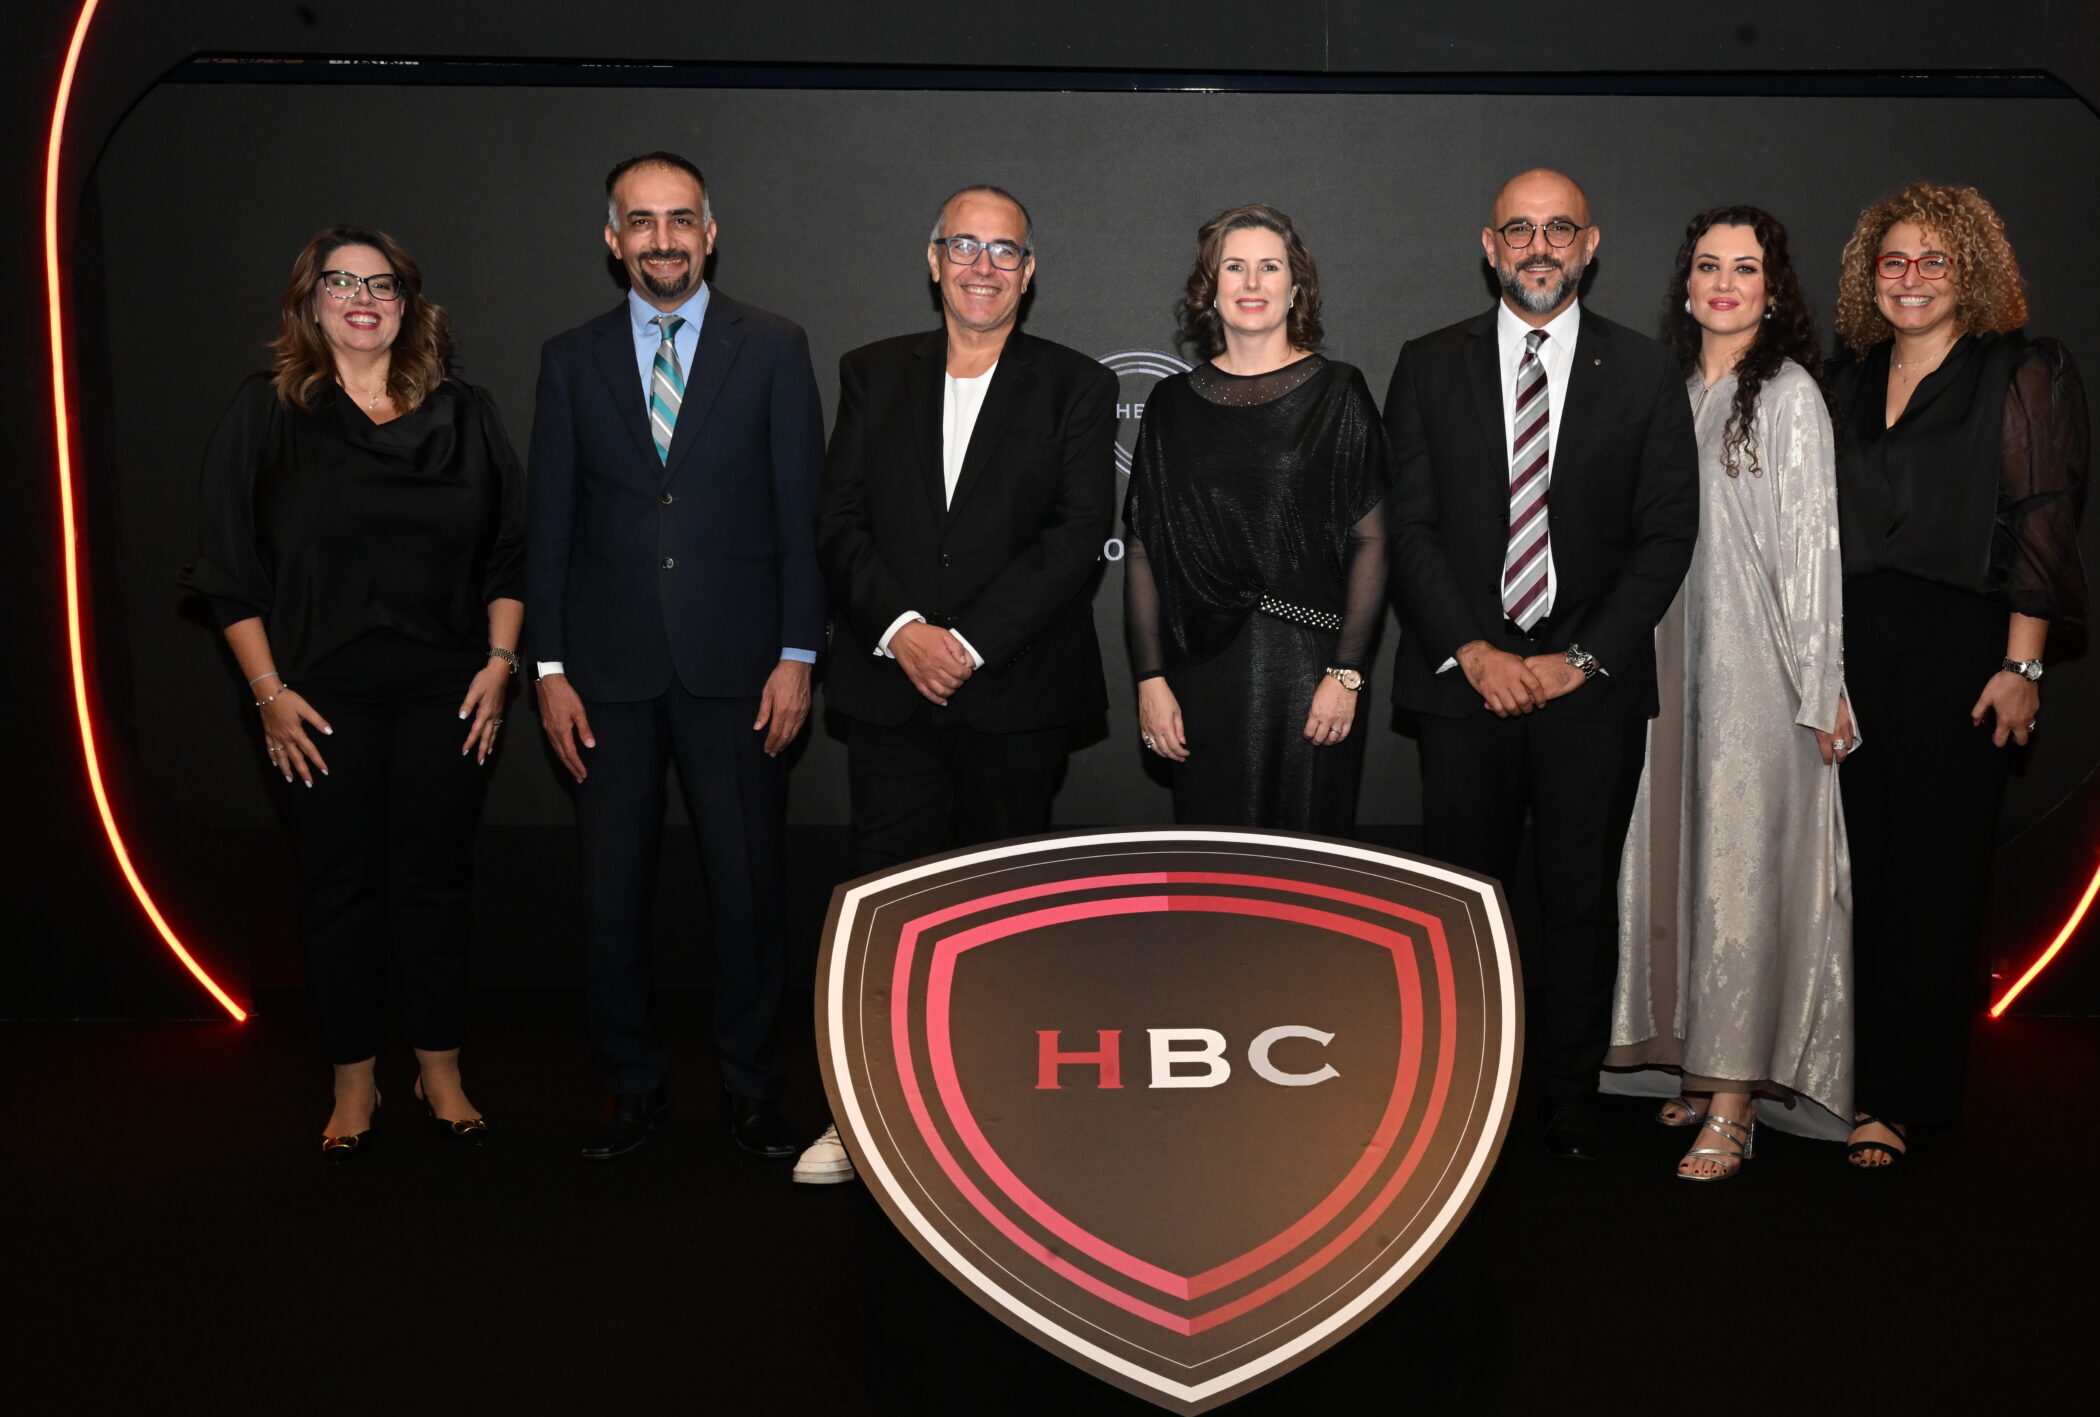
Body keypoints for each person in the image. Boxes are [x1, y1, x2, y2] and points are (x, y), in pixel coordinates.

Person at [183, 225, 524, 1159]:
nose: (362, 298)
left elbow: (510, 554)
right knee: (340, 886)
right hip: (315, 693)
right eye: (341, 282)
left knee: (435, 881)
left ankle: (440, 1068)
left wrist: (500, 668)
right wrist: (267, 693)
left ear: (410, 305)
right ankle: (352, 1077)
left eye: (383, 284)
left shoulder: (466, 412)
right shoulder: (265, 411)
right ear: (310, 301)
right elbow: (227, 568)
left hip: (449, 690)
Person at [804, 184, 1117, 1183]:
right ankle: (865, 1115)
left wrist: (969, 644)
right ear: (933, 260)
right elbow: (838, 520)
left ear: (1030, 270)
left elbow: (1077, 536)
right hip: (889, 689)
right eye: (964, 246)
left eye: (1004, 250)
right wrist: (904, 632)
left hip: (1016, 692)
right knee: (886, 906)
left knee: (1006, 912)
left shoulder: (1074, 384)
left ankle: (1002, 1120)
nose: (983, 266)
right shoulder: (870, 372)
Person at [1385, 168, 1699, 1162]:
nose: (1538, 247)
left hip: (1589, 693)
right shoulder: (1427, 364)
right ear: (1489, 247)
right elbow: (1408, 528)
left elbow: (1665, 536)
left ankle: (1567, 1096)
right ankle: (1465, 1096)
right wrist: (1473, 649)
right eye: (1518, 230)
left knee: (1577, 901)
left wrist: (1581, 658)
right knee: (1462, 904)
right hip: (1462, 686)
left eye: (1559, 229)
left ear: (1590, 245)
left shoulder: (1644, 370)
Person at [526, 152, 826, 1162]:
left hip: (742, 670)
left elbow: (800, 516)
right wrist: (548, 669)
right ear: (614, 239)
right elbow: (549, 527)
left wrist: (797, 652)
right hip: (602, 676)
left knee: (748, 891)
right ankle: (631, 1086)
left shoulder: (774, 346)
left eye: (681, 219)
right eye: (643, 222)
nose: (664, 239)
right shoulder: (569, 359)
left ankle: (751, 1087)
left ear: (711, 232)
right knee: (611, 895)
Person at [1826, 182, 2087, 1170]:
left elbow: (2042, 519)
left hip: (1963, 649)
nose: (1912, 277)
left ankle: (1899, 1098)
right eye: (1893, 260)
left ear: (1970, 271)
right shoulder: (1846, 381)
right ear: (1870, 276)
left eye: (1934, 260)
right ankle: (1846, 1077)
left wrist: (2023, 662)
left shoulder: (2018, 372)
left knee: (1933, 877)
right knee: (1852, 874)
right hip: (1851, 647)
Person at [1608, 206, 1854, 1181]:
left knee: (1743, 873)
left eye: (1744, 268)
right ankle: (1692, 1057)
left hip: (1758, 671)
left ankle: (1736, 1099)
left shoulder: (1789, 395)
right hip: (1665, 656)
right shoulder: (1667, 391)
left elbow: (1815, 550)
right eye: (1707, 265)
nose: (1723, 283)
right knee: (1679, 860)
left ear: (1773, 289)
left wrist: (1821, 684)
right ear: (1685, 284)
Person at [1124, 204, 1389, 833]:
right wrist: (1150, 678)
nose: (1251, 282)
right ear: (1210, 288)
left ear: (1295, 289)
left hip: (1310, 671)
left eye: (1269, 267)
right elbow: (1141, 550)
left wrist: (1346, 672)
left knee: (1307, 866)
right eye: (1234, 267)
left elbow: (1371, 541)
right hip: (1199, 675)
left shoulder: (1339, 392)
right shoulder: (1169, 404)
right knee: (1215, 866)